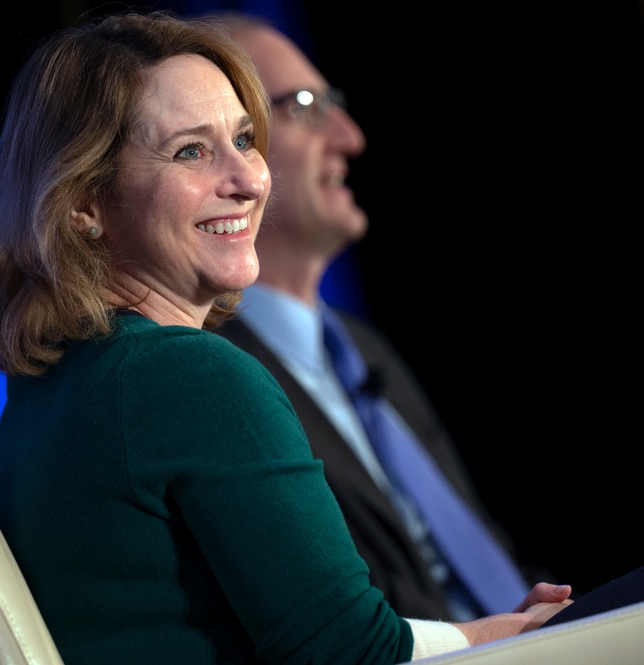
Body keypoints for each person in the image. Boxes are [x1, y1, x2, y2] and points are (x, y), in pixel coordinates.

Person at [0, 9, 644, 665]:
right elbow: (351, 655)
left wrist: (485, 627)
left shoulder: (45, 394)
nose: (246, 178)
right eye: (191, 152)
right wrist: (493, 636)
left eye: (247, 140)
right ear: (84, 202)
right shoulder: (191, 377)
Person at [208, 10, 548, 623]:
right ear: (230, 149)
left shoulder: (365, 350)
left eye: (334, 101)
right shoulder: (219, 374)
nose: (349, 136)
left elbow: (483, 559)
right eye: (307, 105)